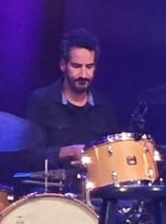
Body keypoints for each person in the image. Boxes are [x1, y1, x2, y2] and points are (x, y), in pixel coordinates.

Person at [20, 28, 118, 195]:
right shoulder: (41, 101)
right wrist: (65, 152)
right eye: (76, 66)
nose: (84, 74)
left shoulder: (105, 106)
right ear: (63, 65)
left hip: (95, 196)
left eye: (89, 67)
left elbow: (114, 158)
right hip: (51, 194)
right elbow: (27, 156)